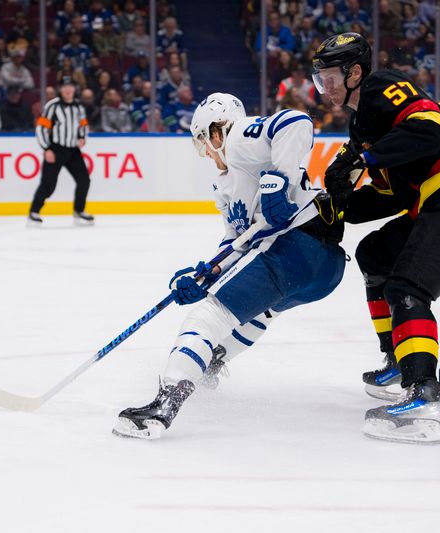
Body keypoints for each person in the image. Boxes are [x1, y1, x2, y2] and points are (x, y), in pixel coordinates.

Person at [312, 32, 440, 444]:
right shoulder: (362, 124)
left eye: (331, 77)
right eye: (320, 79)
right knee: (376, 254)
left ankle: (423, 395)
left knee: (407, 287)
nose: (325, 87)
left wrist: (363, 158)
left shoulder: (382, 86)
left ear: (355, 73)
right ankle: (399, 361)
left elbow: (428, 131)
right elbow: (393, 194)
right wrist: (337, 205)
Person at [112, 93, 346, 440]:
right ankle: (212, 360)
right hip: (321, 269)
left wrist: (279, 181)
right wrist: (206, 274)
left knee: (210, 315)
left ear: (216, 131)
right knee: (259, 311)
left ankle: (165, 404)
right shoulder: (225, 186)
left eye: (204, 142)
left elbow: (296, 122)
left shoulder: (239, 139)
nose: (206, 152)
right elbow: (235, 242)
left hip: (294, 246)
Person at [30, 77, 93, 226]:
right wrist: (47, 148)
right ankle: (34, 212)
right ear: (60, 89)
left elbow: (83, 125)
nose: (68, 89)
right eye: (65, 86)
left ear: (74, 89)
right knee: (48, 185)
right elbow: (41, 128)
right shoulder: (52, 106)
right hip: (55, 149)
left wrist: (82, 137)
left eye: (70, 86)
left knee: (84, 180)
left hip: (72, 150)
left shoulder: (79, 107)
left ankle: (79, 211)